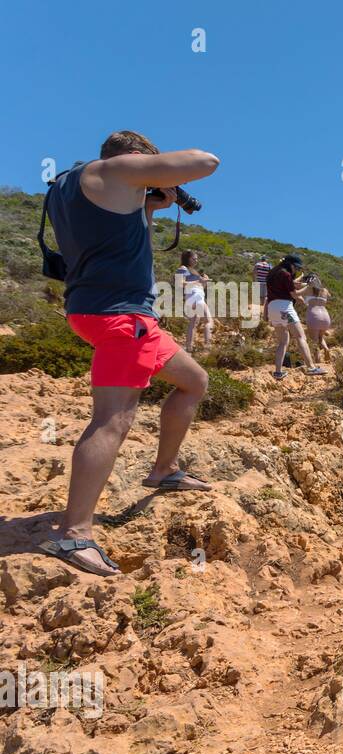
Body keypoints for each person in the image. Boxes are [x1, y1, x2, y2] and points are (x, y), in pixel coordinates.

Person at [38, 130, 219, 576]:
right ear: (135, 159)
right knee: (113, 420)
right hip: (119, 317)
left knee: (194, 381)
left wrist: (152, 205)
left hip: (114, 312)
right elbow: (205, 160)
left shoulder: (71, 186)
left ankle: (164, 469)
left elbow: (118, 238)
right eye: (146, 166)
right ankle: (73, 532)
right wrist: (160, 176)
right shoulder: (111, 169)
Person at [265, 254, 324, 379]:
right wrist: (308, 287)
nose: (296, 270)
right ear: (290, 265)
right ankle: (311, 367)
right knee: (300, 336)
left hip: (272, 308)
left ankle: (278, 372)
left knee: (283, 342)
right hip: (284, 308)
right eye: (296, 267)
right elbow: (294, 294)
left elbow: (291, 284)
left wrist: (301, 279)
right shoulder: (285, 274)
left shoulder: (273, 273)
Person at [177, 250, 214, 351]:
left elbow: (199, 285)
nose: (196, 261)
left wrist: (204, 282)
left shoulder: (192, 271)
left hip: (193, 296)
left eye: (197, 259)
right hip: (195, 295)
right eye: (194, 259)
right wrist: (199, 281)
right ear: (188, 258)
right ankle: (207, 346)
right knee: (209, 321)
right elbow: (180, 283)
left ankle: (189, 347)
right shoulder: (183, 268)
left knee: (193, 322)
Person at [302, 273, 332, 359]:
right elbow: (329, 296)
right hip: (325, 317)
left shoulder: (308, 289)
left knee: (314, 340)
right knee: (320, 337)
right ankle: (326, 349)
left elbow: (295, 291)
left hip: (314, 316)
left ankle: (317, 359)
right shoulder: (324, 290)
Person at [252, 253, 271, 323]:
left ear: (261, 259)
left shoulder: (257, 264)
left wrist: (254, 280)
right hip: (266, 282)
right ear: (266, 260)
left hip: (259, 281)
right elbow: (271, 274)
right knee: (265, 296)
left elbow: (254, 272)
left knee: (259, 296)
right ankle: (263, 310)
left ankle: (259, 311)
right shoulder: (269, 266)